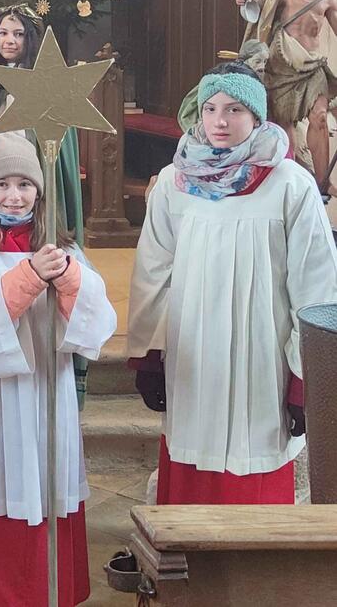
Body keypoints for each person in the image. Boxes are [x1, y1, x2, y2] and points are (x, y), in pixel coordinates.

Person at [129, 62, 337, 505]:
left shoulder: (289, 185)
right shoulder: (175, 182)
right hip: (193, 358)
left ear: (258, 117)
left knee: (254, 465)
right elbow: (153, 271)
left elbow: (317, 286)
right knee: (190, 463)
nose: (219, 121)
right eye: (210, 108)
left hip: (260, 361)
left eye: (235, 109)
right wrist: (150, 354)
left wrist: (306, 379)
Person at [0, 133, 116, 607]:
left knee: (45, 480)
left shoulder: (62, 246)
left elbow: (97, 323)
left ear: (40, 191)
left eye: (24, 185)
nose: (14, 196)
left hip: (45, 392)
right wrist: (29, 278)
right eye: (2, 185)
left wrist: (73, 279)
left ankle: (45, 592)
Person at [0, 4, 84, 246]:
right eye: (3, 33)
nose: (9, 40)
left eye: (18, 34)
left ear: (31, 40)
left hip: (32, 179)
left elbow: (60, 151)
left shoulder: (50, 89)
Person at [237, 0, 337, 189]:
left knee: (320, 117)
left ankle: (323, 181)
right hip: (281, 66)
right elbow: (257, 12)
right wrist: (244, 1)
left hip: (313, 66)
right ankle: (296, 175)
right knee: (284, 123)